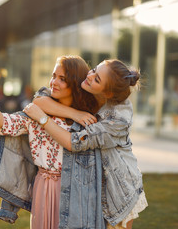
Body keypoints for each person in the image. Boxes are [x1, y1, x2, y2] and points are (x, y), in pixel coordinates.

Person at [0, 55, 99, 229]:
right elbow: (4, 123)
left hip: (74, 188)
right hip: (42, 186)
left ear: (75, 83)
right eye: (53, 76)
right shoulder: (36, 113)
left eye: (62, 79)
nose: (54, 82)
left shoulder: (86, 118)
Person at [24, 59, 148, 229]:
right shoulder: (87, 88)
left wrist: (43, 119)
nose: (90, 76)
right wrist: (74, 113)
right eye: (94, 70)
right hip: (93, 185)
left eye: (97, 79)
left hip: (118, 191)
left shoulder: (118, 119)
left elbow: (73, 142)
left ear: (108, 93)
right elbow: (39, 101)